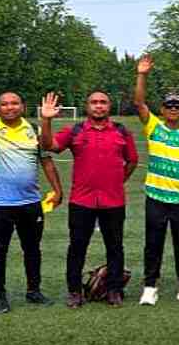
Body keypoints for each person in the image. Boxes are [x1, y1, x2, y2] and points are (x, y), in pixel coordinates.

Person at [0, 85, 64, 314]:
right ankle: (0, 296)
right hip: (0, 204)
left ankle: (33, 290)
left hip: (31, 203)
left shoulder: (35, 130)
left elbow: (47, 159)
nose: (10, 107)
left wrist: (57, 190)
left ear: (23, 107)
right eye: (4, 104)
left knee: (32, 249)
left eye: (15, 103)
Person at [40, 90, 138, 308]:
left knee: (115, 247)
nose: (99, 106)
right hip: (81, 200)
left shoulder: (122, 131)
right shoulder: (75, 130)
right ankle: (75, 291)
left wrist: (117, 181)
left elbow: (132, 160)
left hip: (113, 201)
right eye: (94, 102)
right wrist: (46, 120)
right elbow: (48, 146)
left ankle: (114, 290)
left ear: (109, 106)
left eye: (103, 102)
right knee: (77, 247)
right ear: (87, 106)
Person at [134, 54, 179, 307]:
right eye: (169, 106)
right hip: (156, 196)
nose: (173, 109)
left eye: (178, 106)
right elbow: (139, 102)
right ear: (163, 110)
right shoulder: (153, 126)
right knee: (153, 243)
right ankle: (150, 287)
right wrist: (142, 74)